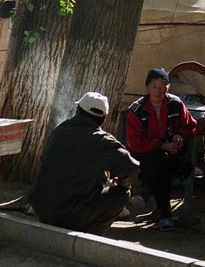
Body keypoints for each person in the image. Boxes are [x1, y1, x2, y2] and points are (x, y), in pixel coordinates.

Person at [27, 92, 140, 235]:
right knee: (122, 194)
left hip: (42, 210)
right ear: (103, 120)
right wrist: (123, 183)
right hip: (70, 214)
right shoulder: (104, 142)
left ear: (78, 111)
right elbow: (132, 169)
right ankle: (89, 234)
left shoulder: (58, 131)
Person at [125, 68, 197, 232]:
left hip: (173, 159)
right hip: (144, 159)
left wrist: (179, 134)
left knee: (161, 162)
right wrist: (162, 145)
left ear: (168, 87)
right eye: (154, 86)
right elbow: (136, 143)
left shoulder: (176, 105)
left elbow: (191, 126)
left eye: (162, 86)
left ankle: (146, 194)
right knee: (158, 158)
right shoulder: (136, 110)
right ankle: (165, 215)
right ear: (147, 87)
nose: (158, 91)